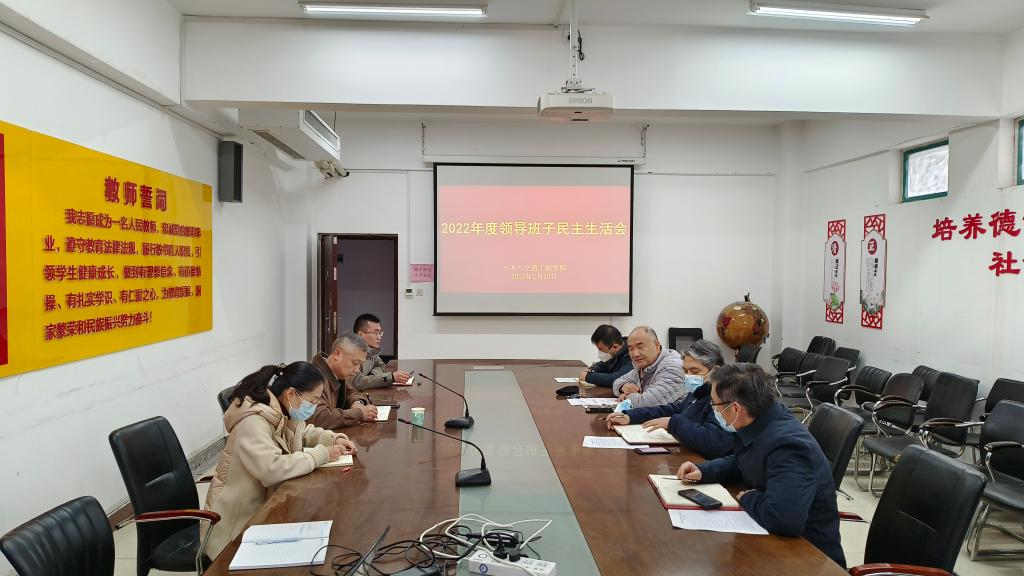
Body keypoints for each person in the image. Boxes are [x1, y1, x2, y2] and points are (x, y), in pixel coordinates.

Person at [676, 363, 845, 568]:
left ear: (735, 409)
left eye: (715, 404)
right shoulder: (761, 420)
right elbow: (745, 460)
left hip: (806, 559)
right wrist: (705, 470)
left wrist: (749, 498)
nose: (715, 410)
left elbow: (784, 519)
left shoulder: (788, 446)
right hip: (773, 543)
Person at [204, 361, 357, 559]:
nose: (314, 407)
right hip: (236, 525)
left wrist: (332, 438)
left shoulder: (281, 410)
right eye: (313, 401)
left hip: (267, 506)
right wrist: (322, 454)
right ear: (291, 394)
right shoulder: (253, 420)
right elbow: (271, 469)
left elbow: (302, 432)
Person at [605, 339, 732, 458]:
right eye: (685, 371)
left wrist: (673, 423)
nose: (688, 376)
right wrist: (630, 416)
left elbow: (713, 441)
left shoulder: (725, 399)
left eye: (695, 371)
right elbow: (673, 409)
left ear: (715, 371)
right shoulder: (700, 391)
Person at [308, 332, 379, 428]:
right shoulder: (312, 377)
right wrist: (359, 413)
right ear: (337, 354)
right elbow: (319, 418)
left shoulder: (336, 373)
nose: (357, 370)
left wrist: (357, 403)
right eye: (355, 363)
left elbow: (352, 392)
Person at [611, 326, 685, 408]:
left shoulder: (672, 367)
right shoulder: (644, 366)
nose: (635, 354)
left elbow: (645, 404)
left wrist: (627, 397)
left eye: (640, 347)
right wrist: (623, 386)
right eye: (631, 349)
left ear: (657, 345)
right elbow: (617, 382)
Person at [349, 313, 411, 390]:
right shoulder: (350, 352)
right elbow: (357, 382)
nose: (379, 337)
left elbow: (382, 366)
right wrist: (391, 377)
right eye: (376, 333)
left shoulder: (371, 351)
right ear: (360, 335)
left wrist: (372, 377)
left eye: (380, 333)